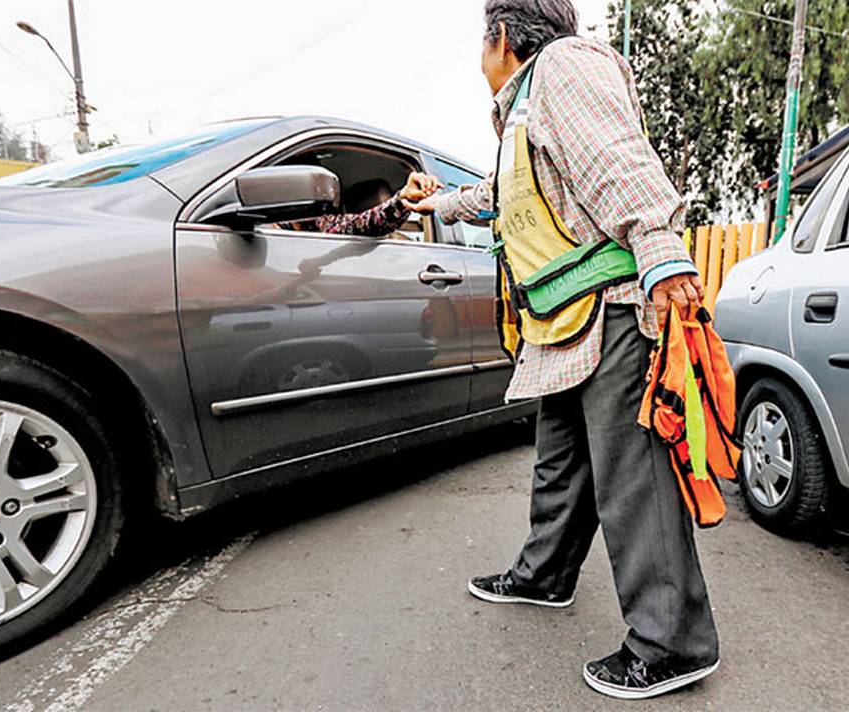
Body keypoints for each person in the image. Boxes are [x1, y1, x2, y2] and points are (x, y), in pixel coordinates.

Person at [405, 0, 718, 699]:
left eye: (481, 45)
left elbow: (617, 159)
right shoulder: (528, 106)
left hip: (611, 308)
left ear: (503, 38)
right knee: (562, 461)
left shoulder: (564, 66)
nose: (479, 59)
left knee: (632, 477)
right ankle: (544, 575)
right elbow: (503, 195)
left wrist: (662, 251)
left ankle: (673, 643)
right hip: (566, 317)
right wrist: (439, 205)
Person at [283, 171, 440, 237]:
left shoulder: (323, 224)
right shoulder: (270, 226)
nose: (320, 194)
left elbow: (365, 223)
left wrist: (403, 198)